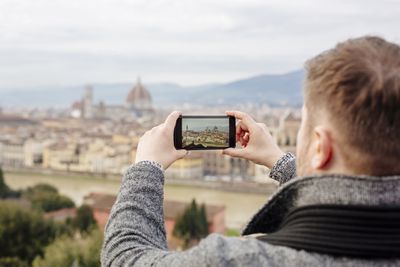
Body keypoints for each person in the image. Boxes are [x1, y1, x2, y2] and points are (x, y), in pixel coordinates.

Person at [101, 36, 400, 266]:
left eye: (303, 128)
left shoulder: (247, 260)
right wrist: (279, 161)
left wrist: (146, 167)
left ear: (320, 147)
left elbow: (125, 257)